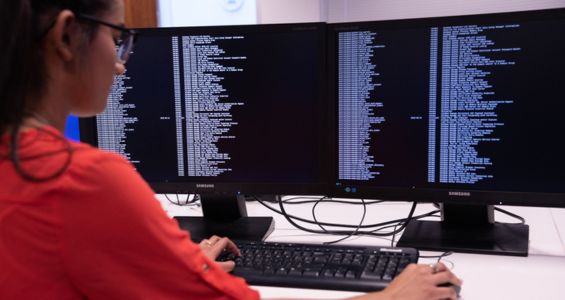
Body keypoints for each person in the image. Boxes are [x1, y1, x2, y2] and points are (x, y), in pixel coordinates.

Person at [0, 0, 462, 299]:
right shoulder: (83, 180)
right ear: (65, 37)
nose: (122, 64)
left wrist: (174, 270)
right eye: (119, 38)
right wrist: (391, 297)